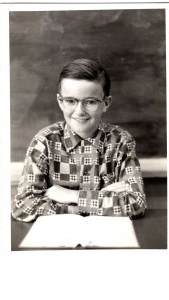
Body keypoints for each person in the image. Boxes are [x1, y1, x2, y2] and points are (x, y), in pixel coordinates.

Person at [12, 58, 147, 222]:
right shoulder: (44, 142)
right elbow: (22, 206)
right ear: (60, 102)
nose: (79, 111)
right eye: (70, 101)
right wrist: (102, 198)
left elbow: (136, 203)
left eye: (90, 102)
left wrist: (70, 196)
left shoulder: (121, 142)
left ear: (106, 103)